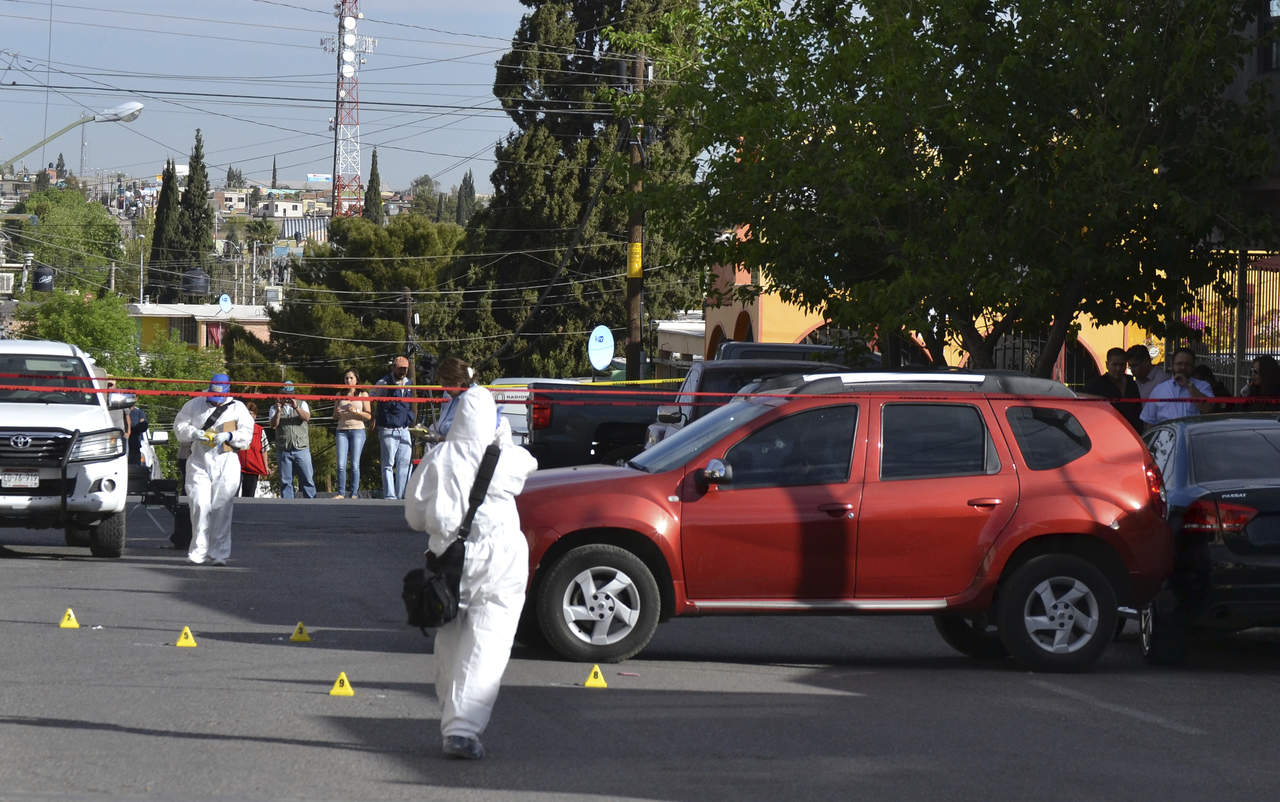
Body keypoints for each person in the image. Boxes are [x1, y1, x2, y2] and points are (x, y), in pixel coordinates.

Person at [404, 385, 538, 761]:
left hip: (448, 561)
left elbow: (413, 516)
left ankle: (450, 709)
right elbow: (530, 464)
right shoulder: (505, 459)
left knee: (450, 639)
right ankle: (461, 728)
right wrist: (502, 439)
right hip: (500, 562)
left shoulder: (438, 458)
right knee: (488, 645)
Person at [173, 373, 254, 565]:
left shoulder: (237, 408)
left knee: (221, 509)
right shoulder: (194, 404)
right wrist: (193, 432)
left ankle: (219, 553)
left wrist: (230, 436)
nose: (215, 401)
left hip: (226, 461)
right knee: (199, 505)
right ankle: (198, 551)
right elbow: (179, 426)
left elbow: (247, 434)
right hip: (199, 461)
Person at [373, 355, 415, 499]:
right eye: (400, 368)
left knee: (405, 463)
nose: (403, 371)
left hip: (404, 428)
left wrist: (410, 417)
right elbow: (372, 398)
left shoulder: (408, 383)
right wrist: (374, 418)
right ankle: (390, 496)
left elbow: (410, 403)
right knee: (388, 464)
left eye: (405, 369)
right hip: (388, 428)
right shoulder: (383, 382)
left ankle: (401, 495)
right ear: (393, 368)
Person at [1139, 347, 1215, 426]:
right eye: (1179, 364)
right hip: (1167, 433)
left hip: (1193, 433)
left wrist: (1189, 385)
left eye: (1187, 364)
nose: (1183, 367)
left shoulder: (1203, 386)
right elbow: (1149, 421)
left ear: (1193, 366)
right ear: (1172, 365)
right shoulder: (1159, 390)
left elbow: (1207, 409)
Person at [269, 380, 316, 498]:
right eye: (285, 394)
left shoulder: (302, 403)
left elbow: (307, 418)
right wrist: (279, 411)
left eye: (289, 394)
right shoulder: (274, 408)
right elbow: (273, 425)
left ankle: (312, 502)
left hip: (301, 448)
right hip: (283, 449)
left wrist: (296, 407)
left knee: (307, 479)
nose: (287, 398)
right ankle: (288, 505)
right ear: (280, 393)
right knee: (285, 481)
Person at [1083, 347, 1143, 431]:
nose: (1118, 368)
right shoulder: (1095, 385)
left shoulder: (1132, 383)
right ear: (1107, 365)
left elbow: (1138, 410)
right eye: (1114, 365)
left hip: (1132, 432)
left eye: (1122, 365)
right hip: (1106, 431)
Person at [334, 369, 372, 498]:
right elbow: (334, 416)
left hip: (358, 430)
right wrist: (338, 412)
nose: (348, 380)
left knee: (355, 464)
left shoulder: (363, 394)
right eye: (346, 378)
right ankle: (341, 493)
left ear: (356, 380)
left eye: (351, 378)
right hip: (341, 431)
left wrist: (356, 411)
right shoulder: (339, 394)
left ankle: (354, 493)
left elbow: (368, 416)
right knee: (341, 464)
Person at [429, 357, 477, 441]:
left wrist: (439, 438)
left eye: (447, 385)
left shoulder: (474, 398)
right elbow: (444, 424)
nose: (445, 389)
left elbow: (469, 436)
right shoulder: (449, 394)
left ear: (459, 380)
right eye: (443, 385)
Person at [237, 401, 269, 497]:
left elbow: (264, 449)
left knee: (248, 497)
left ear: (255, 416)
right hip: (237, 467)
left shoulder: (260, 430)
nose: (249, 416)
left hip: (253, 468)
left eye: (251, 413)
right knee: (232, 495)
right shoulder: (235, 428)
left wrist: (266, 466)